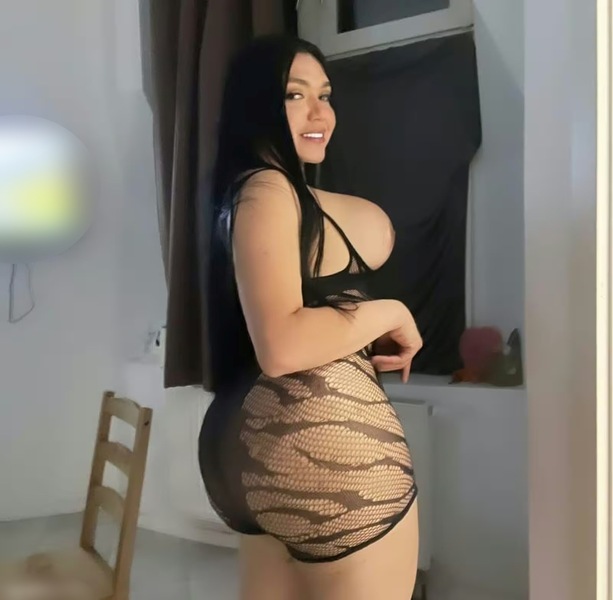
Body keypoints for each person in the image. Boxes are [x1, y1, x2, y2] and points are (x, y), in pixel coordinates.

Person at [199, 34, 422, 600]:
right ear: (256, 105)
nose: (320, 113)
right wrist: (390, 311)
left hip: (248, 455)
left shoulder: (242, 192)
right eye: (295, 95)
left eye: (325, 95)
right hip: (323, 453)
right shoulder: (269, 189)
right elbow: (282, 345)